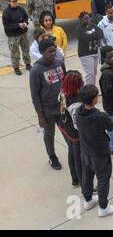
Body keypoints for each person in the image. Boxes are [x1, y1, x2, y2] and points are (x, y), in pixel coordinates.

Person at [76, 84, 113, 217]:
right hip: (100, 153)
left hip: (85, 151)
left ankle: (88, 200)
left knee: (87, 175)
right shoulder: (100, 116)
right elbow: (111, 127)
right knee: (103, 179)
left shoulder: (78, 113)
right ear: (94, 99)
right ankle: (103, 207)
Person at [30, 39, 66, 170]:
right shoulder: (36, 70)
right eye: (49, 51)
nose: (53, 53)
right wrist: (40, 115)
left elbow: (65, 82)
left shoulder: (60, 62)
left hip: (62, 106)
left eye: (54, 50)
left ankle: (74, 151)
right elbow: (34, 95)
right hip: (47, 110)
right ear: (41, 52)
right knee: (49, 134)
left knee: (68, 131)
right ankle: (52, 157)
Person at [58, 70, 84, 187]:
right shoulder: (76, 103)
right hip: (75, 133)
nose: (83, 82)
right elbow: (77, 124)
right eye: (80, 81)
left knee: (72, 152)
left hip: (66, 127)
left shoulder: (63, 92)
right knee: (79, 158)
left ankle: (75, 178)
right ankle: (82, 181)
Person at [2, 0, 31, 75]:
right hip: (13, 35)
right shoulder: (6, 12)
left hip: (23, 33)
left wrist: (25, 23)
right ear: (9, 2)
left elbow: (26, 18)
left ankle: (28, 64)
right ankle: (16, 67)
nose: (15, 2)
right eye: (13, 1)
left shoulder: (21, 9)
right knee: (15, 52)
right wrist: (18, 25)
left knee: (26, 49)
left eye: (16, 1)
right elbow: (7, 26)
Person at [76, 12, 103, 85]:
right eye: (85, 19)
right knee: (90, 74)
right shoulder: (79, 29)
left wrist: (92, 35)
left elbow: (101, 33)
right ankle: (88, 91)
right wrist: (95, 34)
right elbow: (86, 38)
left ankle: (92, 89)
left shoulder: (92, 25)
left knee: (94, 73)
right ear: (80, 20)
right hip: (85, 54)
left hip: (94, 52)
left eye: (88, 18)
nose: (87, 20)